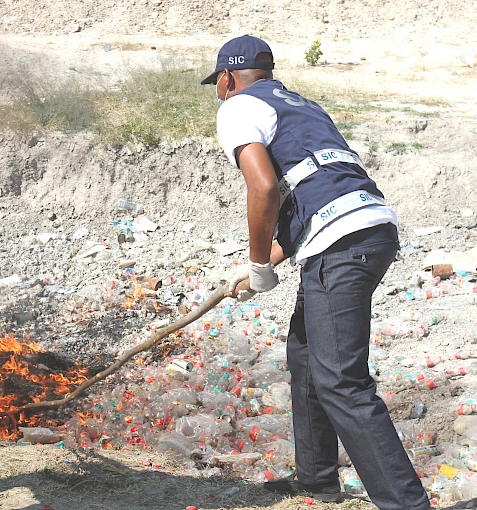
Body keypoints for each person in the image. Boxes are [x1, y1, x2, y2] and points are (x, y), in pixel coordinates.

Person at [203, 35, 430, 510]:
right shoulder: (301, 107)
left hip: (342, 245)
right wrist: (259, 268)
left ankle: (406, 505)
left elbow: (263, 188)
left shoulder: (237, 106)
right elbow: (313, 199)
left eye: (219, 84)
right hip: (368, 228)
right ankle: (318, 479)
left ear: (226, 78)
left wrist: (258, 263)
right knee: (307, 355)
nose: (219, 91)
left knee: (342, 382)